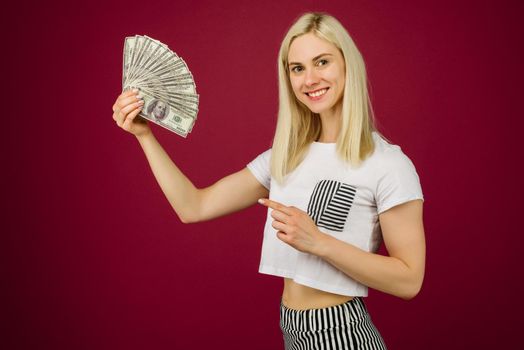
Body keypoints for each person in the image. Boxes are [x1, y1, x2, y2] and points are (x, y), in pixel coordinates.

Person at [112, 12, 425, 350]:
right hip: (292, 329)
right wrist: (145, 136)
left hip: (341, 332)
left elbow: (409, 280)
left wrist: (318, 242)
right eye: (298, 68)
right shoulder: (286, 156)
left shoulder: (387, 163)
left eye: (322, 62)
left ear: (348, 65)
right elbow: (194, 206)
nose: (310, 79)